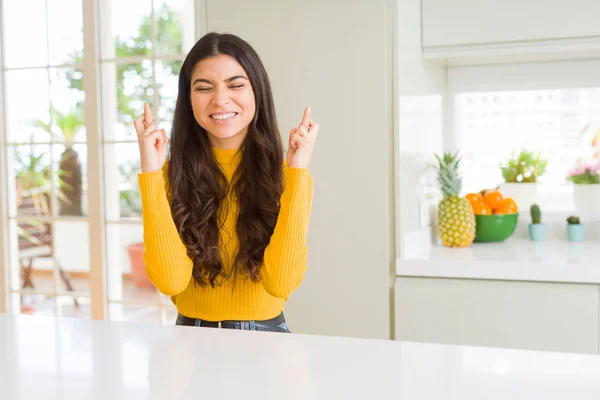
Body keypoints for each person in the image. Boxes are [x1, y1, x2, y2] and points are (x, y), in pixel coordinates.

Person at [134, 32, 318, 333]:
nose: (220, 99)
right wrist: (151, 173)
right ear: (188, 100)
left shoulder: (290, 177)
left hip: (266, 338)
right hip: (190, 338)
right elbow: (171, 281)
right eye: (204, 87)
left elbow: (281, 282)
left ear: (257, 91)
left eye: (236, 85)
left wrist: (297, 171)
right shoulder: (168, 176)